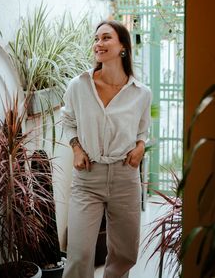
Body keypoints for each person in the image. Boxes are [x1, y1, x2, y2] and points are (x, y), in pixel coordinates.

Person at [61, 20, 152, 278]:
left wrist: (141, 146)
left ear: (123, 46)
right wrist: (77, 149)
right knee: (78, 255)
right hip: (88, 178)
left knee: (124, 254)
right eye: (96, 39)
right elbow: (68, 121)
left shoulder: (141, 93)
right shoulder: (79, 86)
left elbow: (143, 130)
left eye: (106, 38)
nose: (98, 44)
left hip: (125, 176)